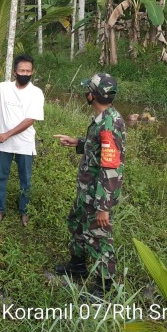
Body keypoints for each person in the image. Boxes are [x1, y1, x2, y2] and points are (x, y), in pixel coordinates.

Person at [53, 73, 126, 298]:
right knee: (76, 223)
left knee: (99, 237)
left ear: (93, 95)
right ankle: (77, 266)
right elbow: (98, 149)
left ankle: (104, 288)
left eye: (88, 90)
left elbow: (111, 167)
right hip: (87, 190)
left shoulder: (109, 124)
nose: (85, 93)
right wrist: (78, 143)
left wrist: (103, 207)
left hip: (98, 194)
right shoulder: (102, 119)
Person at [0, 55, 45, 226]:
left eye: (28, 71)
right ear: (15, 71)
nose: (25, 74)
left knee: (25, 179)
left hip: (24, 143)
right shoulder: (3, 88)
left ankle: (24, 210)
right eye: (22, 70)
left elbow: (30, 120)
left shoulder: (36, 93)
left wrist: (7, 134)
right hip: (3, 143)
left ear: (33, 72)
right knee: (1, 177)